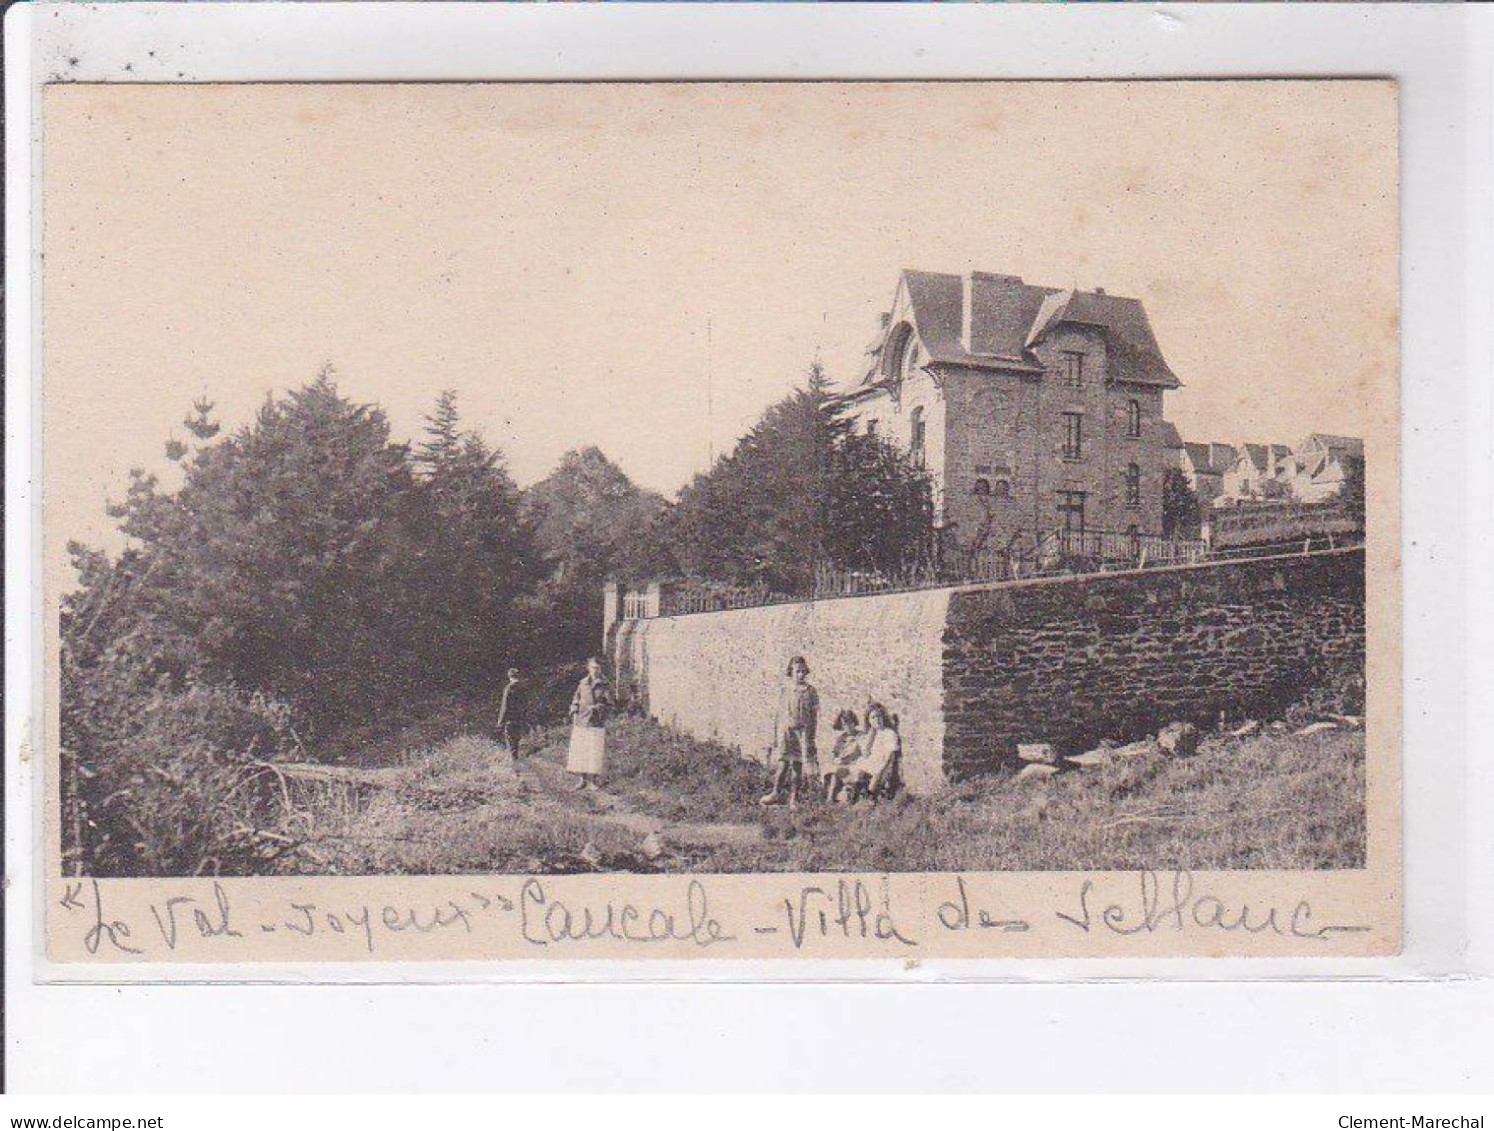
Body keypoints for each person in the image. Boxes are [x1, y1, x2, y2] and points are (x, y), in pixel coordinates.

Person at [759, 655, 819, 808]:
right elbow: (779, 714)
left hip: (802, 732)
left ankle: (794, 798)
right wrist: (775, 736)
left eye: (803, 671)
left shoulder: (811, 691)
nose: (800, 674)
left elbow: (813, 716)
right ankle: (775, 793)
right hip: (786, 731)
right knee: (783, 763)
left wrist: (811, 737)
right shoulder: (785, 690)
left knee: (798, 765)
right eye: (797, 671)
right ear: (791, 672)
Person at [567, 656, 611, 791]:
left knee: (594, 751)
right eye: (593, 668)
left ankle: (592, 781)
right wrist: (574, 712)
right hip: (581, 720)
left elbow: (610, 704)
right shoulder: (583, 683)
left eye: (598, 668)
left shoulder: (605, 685)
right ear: (588, 668)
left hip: (596, 722)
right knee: (581, 751)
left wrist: (600, 707)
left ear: (601, 669)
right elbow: (576, 699)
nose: (595, 670)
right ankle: (582, 780)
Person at [845, 702, 901, 804]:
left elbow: (890, 756)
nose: (877, 720)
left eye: (879, 716)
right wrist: (871, 734)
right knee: (858, 773)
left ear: (883, 717)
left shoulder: (889, 733)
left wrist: (882, 769)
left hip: (884, 763)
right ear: (869, 721)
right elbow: (866, 753)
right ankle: (854, 799)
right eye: (873, 718)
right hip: (872, 762)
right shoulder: (873, 734)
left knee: (875, 779)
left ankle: (871, 798)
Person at [823, 709, 863, 804]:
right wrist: (836, 759)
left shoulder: (861, 736)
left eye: (850, 723)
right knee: (833, 772)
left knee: (839, 772)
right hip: (842, 765)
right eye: (845, 724)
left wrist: (846, 759)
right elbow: (834, 753)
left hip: (855, 764)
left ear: (854, 723)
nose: (848, 727)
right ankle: (830, 798)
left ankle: (833, 798)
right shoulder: (841, 738)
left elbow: (858, 753)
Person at [496, 667, 527, 759]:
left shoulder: (509, 688)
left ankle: (513, 767)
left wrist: (500, 721)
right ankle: (517, 765)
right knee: (516, 744)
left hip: (510, 720)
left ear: (509, 676)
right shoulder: (523, 688)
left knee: (510, 745)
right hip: (519, 720)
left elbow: (505, 706)